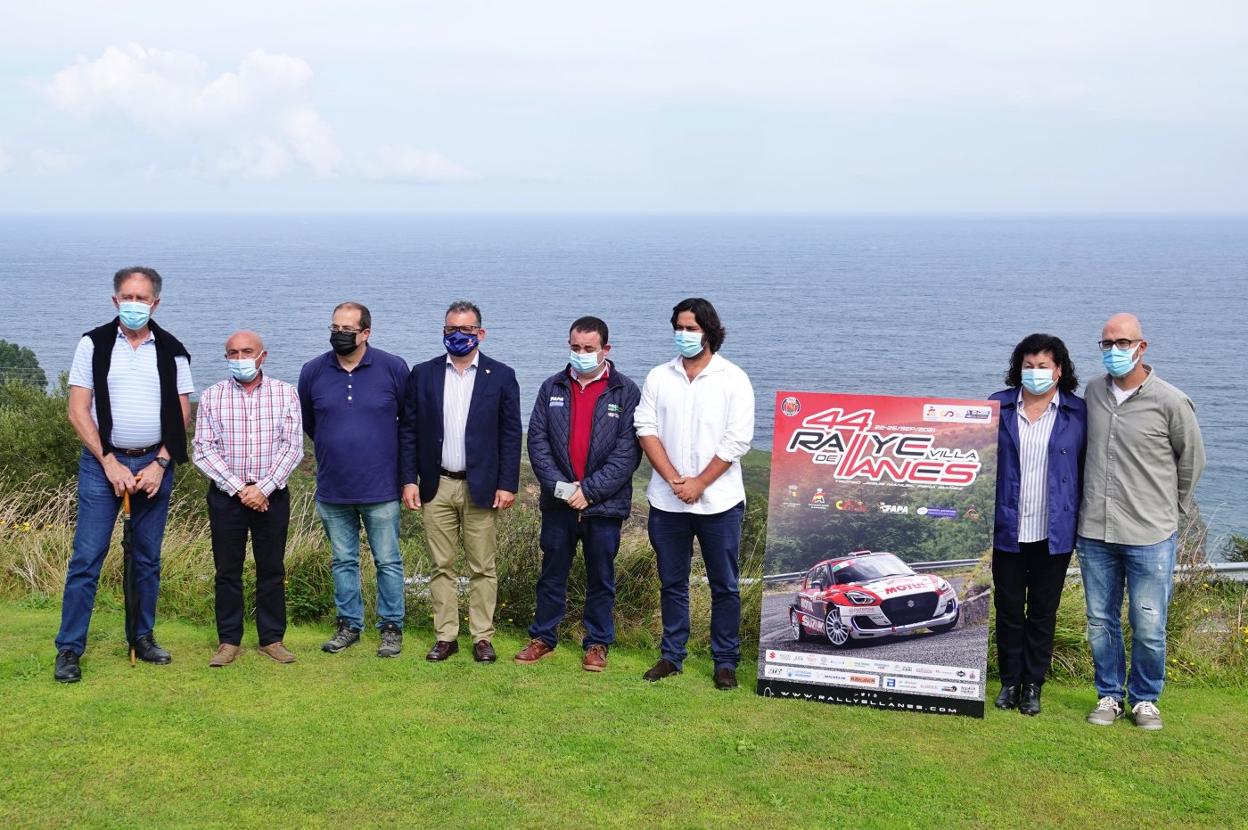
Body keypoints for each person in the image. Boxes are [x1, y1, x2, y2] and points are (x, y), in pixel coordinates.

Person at [54, 267, 193, 683]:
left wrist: (161, 463)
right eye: (128, 297)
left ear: (156, 303)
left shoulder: (173, 350)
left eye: (143, 297)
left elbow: (182, 411)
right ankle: (69, 648)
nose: (135, 304)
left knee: (147, 559)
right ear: (116, 301)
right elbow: (78, 409)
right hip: (103, 466)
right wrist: (108, 460)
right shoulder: (92, 344)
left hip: (154, 465)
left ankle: (142, 637)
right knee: (87, 558)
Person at [1079, 313, 1205, 731]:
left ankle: (1146, 699)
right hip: (1095, 530)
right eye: (1107, 343)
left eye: (1123, 342)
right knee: (1100, 620)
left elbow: (1192, 462)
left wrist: (1172, 509)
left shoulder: (1171, 401)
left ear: (1141, 346)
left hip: (1149, 534)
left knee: (1149, 623)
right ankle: (1109, 695)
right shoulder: (1093, 392)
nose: (1114, 351)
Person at [634, 298, 754, 690]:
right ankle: (672, 655)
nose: (685, 335)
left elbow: (737, 440)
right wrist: (673, 480)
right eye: (680, 327)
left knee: (725, 584)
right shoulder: (658, 377)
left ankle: (725, 661)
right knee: (672, 581)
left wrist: (700, 483)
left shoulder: (733, 378)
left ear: (709, 331)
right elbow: (645, 428)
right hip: (667, 501)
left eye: (692, 328)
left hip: (719, 502)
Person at [514, 316, 642, 672]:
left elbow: (628, 452)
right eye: (575, 347)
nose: (581, 354)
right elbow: (537, 442)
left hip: (604, 505)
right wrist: (564, 490)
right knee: (552, 572)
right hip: (559, 503)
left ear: (605, 349)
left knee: (601, 576)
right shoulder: (551, 386)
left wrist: (590, 491)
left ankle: (597, 643)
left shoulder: (625, 391)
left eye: (589, 349)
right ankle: (543, 638)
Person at [399, 301, 521, 664]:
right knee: (442, 565)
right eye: (451, 329)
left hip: (482, 486)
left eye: (465, 330)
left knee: (483, 566)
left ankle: (482, 637)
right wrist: (409, 480)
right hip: (437, 485)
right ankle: (445, 636)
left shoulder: (501, 375)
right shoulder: (423, 374)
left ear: (480, 333)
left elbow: (511, 433)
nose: (457, 336)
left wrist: (508, 483)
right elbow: (408, 430)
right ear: (443, 331)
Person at [298, 302, 409, 658]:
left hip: (381, 488)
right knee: (342, 561)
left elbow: (408, 425)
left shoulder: (393, 368)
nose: (339, 335)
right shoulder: (312, 371)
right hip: (333, 489)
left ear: (365, 333)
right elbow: (310, 424)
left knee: (388, 561)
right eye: (334, 327)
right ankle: (349, 625)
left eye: (347, 329)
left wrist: (409, 479)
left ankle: (391, 627)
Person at [989, 333, 1086, 716]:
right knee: (1010, 609)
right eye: (1028, 366)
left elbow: (1087, 467)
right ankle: (1009, 682)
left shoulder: (1078, 413)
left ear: (1058, 370)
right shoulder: (997, 406)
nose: (1035, 372)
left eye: (1043, 365)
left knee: (1043, 613)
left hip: (1054, 532)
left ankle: (1033, 685)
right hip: (1007, 528)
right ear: (1019, 369)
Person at [193, 331, 303, 667]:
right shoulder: (212, 396)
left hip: (271, 495)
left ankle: (272, 639)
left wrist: (264, 488)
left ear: (262, 356)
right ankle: (228, 641)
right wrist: (240, 488)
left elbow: (292, 446)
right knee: (227, 570)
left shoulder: (285, 394)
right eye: (233, 353)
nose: (240, 358)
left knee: (271, 568)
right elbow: (203, 449)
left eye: (247, 352)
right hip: (228, 496)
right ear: (226, 357)